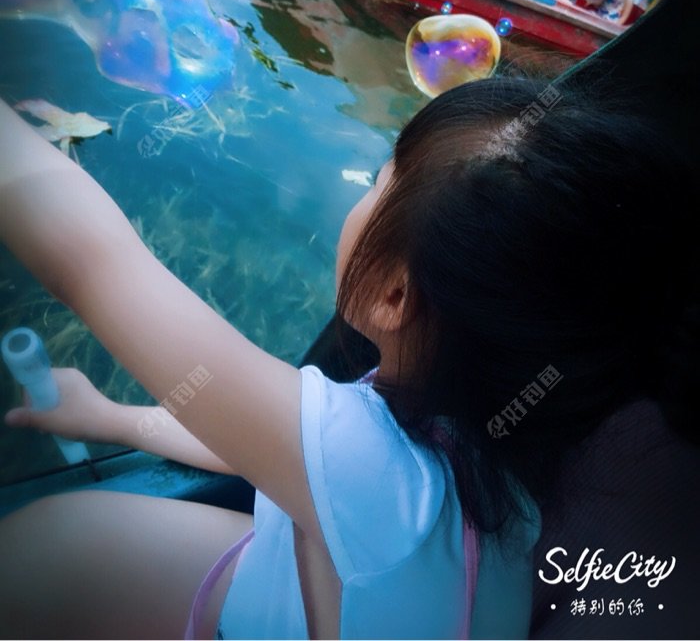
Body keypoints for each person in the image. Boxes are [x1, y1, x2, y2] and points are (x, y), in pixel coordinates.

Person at [0, 74, 697, 639]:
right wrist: (113, 417)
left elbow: (92, 262)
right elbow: (263, 443)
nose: (364, 189)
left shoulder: (381, 486)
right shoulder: (506, 463)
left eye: (376, 181)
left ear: (394, 295)